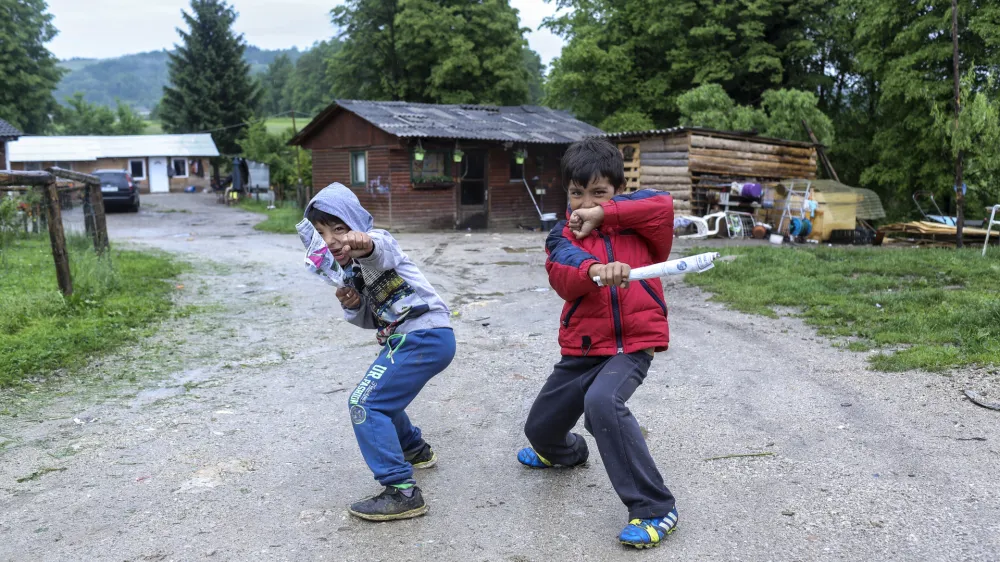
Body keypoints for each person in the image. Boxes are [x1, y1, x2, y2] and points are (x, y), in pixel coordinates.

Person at [516, 138, 678, 549]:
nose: (584, 203)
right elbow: (563, 273)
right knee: (539, 430)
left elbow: (661, 202)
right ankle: (567, 453)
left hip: (632, 346)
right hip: (583, 350)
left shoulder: (642, 225)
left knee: (603, 402)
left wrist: (604, 214)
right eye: (576, 193)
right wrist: (596, 270)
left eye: (598, 193)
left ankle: (655, 508)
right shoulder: (561, 235)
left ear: (617, 192)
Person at [305, 183, 455, 521]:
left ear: (356, 225)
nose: (331, 240)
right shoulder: (347, 274)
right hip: (409, 337)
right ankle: (415, 450)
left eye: (339, 229)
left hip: (425, 333)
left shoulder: (377, 242)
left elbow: (381, 250)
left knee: (364, 403)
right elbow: (374, 319)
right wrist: (355, 305)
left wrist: (365, 242)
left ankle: (402, 491)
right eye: (321, 233)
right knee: (381, 396)